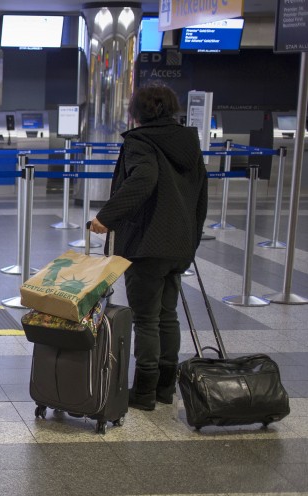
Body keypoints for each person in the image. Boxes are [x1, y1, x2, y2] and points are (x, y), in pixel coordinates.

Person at [90, 84, 208, 411]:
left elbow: (142, 180)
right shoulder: (188, 143)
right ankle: (164, 388)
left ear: (137, 112)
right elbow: (201, 198)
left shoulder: (141, 142)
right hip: (179, 246)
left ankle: (142, 392)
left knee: (146, 320)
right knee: (167, 316)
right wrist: (191, 241)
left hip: (147, 245)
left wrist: (106, 217)